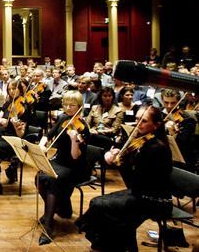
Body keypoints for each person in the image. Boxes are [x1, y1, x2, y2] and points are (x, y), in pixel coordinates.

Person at [76, 105, 173, 251]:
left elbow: (135, 182)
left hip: (154, 200)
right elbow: (135, 182)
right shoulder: (142, 141)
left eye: (144, 121)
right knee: (98, 203)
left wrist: (121, 163)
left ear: (156, 125)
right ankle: (106, 245)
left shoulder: (156, 148)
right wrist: (116, 151)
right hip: (140, 193)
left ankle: (107, 245)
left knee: (101, 206)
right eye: (137, 119)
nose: (138, 124)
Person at [35, 91, 90, 245]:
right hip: (60, 161)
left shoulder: (83, 128)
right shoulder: (63, 118)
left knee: (52, 180)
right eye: (65, 104)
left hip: (76, 167)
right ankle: (56, 207)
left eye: (72, 105)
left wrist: (74, 140)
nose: (68, 107)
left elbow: (75, 156)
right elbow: (49, 134)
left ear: (80, 107)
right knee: (39, 176)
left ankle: (49, 225)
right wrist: (41, 145)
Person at [87, 86, 124, 151]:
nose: (108, 98)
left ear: (113, 97)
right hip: (92, 135)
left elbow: (115, 129)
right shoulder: (94, 108)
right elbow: (87, 123)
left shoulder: (118, 110)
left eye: (110, 96)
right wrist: (91, 130)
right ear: (100, 97)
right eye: (105, 96)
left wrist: (99, 132)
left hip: (108, 137)